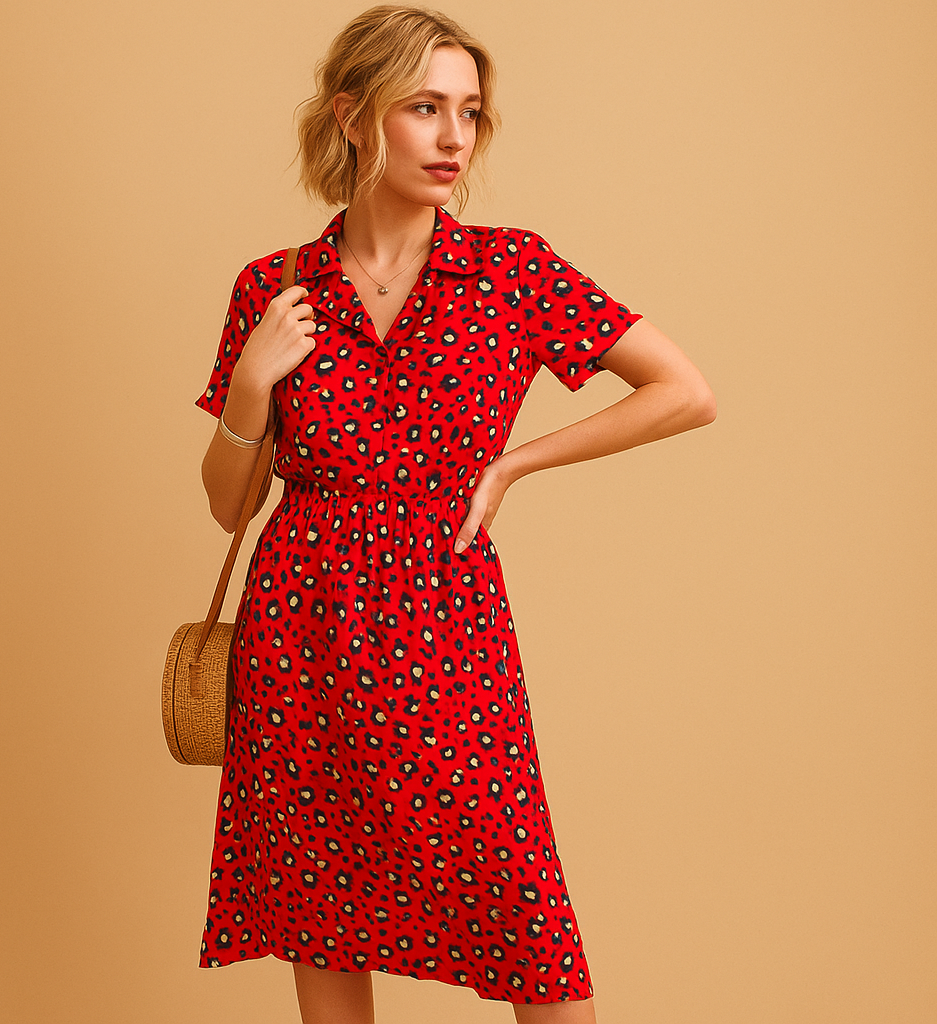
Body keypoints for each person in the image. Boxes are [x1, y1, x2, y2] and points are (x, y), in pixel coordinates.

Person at [194, 6, 716, 1023]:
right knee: (321, 914)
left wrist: (515, 462)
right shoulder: (275, 287)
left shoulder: (511, 270)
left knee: (524, 917)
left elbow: (684, 391)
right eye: (425, 108)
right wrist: (252, 384)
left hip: (445, 622)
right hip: (299, 631)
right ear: (354, 116)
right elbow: (228, 507)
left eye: (469, 112)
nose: (453, 137)